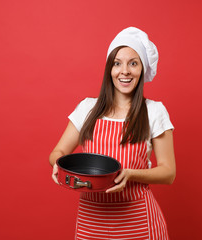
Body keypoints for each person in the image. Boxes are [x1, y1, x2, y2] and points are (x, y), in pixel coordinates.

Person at [49, 27, 176, 240]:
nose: (124, 71)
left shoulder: (153, 111)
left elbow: (168, 172)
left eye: (133, 63)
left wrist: (131, 174)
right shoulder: (88, 108)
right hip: (91, 224)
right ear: (109, 69)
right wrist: (59, 166)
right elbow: (58, 151)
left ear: (142, 69)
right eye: (117, 63)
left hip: (139, 225)